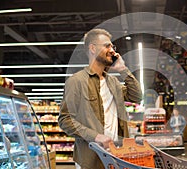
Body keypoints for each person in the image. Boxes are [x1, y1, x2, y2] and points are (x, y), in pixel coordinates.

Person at [58, 28, 142, 169]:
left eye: (112, 46)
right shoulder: (76, 81)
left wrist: (123, 70)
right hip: (91, 159)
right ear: (92, 48)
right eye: (107, 45)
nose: (112, 50)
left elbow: (137, 96)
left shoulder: (113, 82)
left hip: (117, 156)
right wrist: (96, 136)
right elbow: (65, 120)